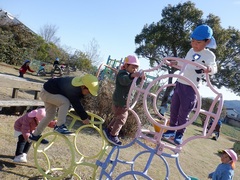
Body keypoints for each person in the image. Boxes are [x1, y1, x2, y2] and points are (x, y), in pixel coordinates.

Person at [163, 24, 218, 145]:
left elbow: (214, 68)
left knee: (184, 113)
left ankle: (179, 134)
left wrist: (209, 68)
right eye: (192, 41)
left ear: (207, 41)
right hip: (180, 83)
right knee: (173, 109)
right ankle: (171, 130)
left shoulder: (209, 55)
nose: (194, 45)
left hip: (191, 88)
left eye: (198, 42)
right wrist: (175, 62)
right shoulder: (190, 51)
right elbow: (186, 64)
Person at [29, 74, 99, 142]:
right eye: (89, 91)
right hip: (47, 93)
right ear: (83, 86)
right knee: (65, 102)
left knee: (50, 116)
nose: (88, 93)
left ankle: (35, 135)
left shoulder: (77, 86)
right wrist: (84, 117)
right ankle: (59, 126)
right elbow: (76, 103)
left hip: (49, 92)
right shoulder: (73, 88)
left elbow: (73, 98)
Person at [103, 55, 145, 146]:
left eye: (136, 68)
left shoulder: (130, 76)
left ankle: (109, 129)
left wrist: (140, 78)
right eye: (132, 67)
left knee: (118, 117)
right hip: (120, 102)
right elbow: (124, 81)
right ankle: (113, 135)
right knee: (122, 119)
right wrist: (131, 76)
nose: (134, 70)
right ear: (126, 66)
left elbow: (134, 83)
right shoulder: (122, 73)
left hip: (123, 103)